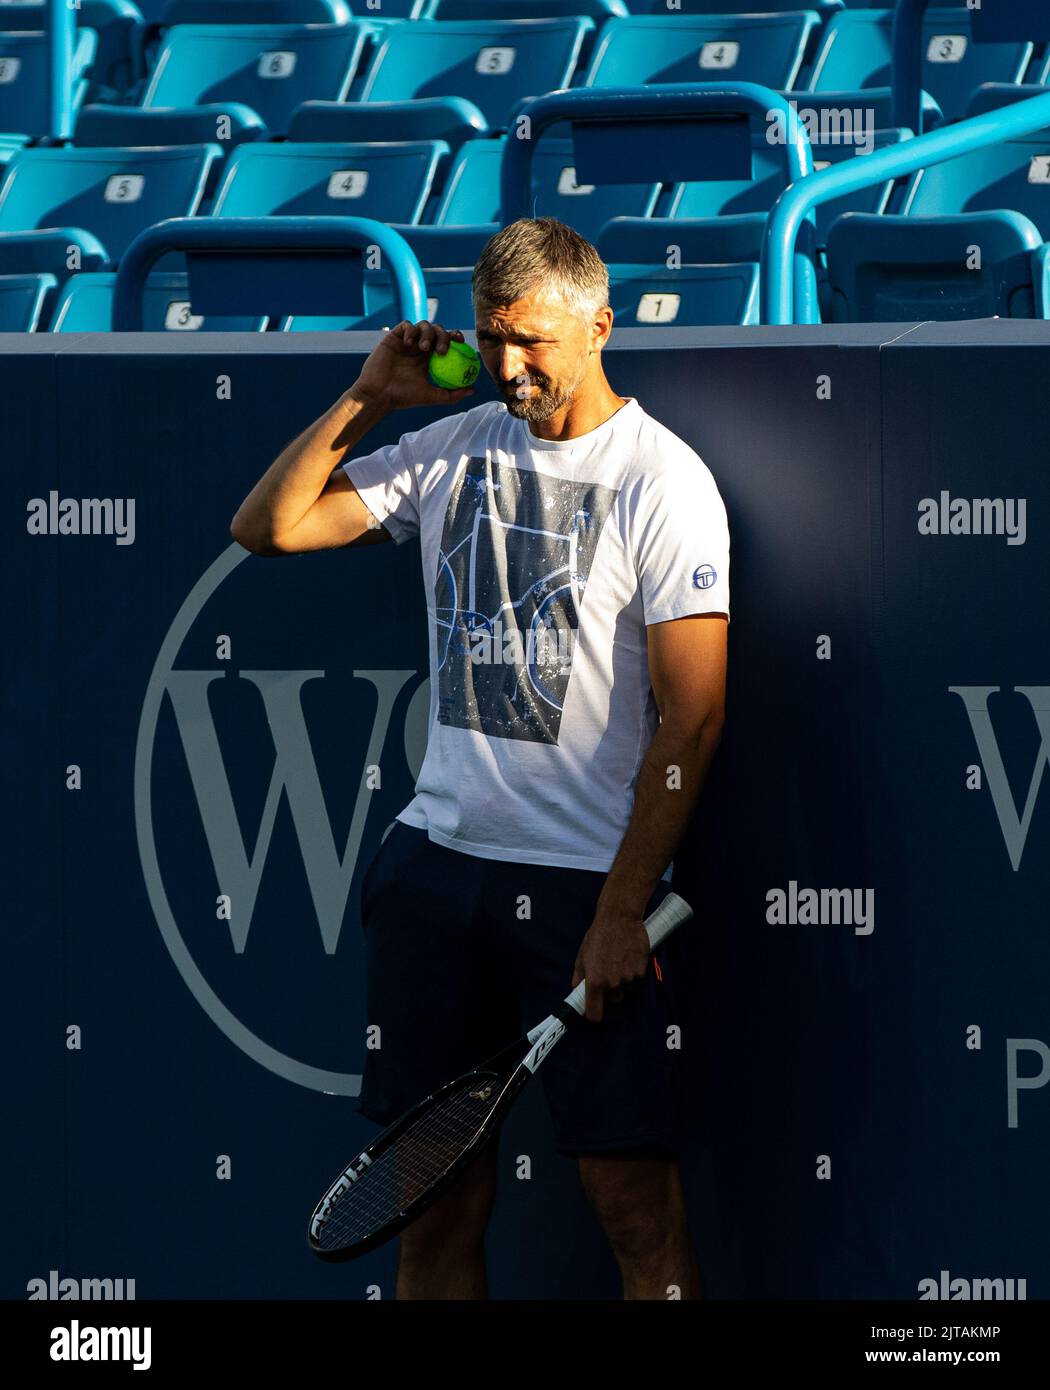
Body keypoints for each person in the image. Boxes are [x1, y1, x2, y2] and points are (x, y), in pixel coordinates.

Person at [230, 217, 729, 1300]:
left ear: (600, 327)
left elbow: (691, 722)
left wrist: (620, 908)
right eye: (491, 340)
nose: (509, 368)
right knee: (433, 1210)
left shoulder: (665, 483)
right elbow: (268, 529)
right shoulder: (451, 447)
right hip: (436, 875)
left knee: (637, 1215)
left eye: (535, 343)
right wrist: (370, 396)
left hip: (585, 891)